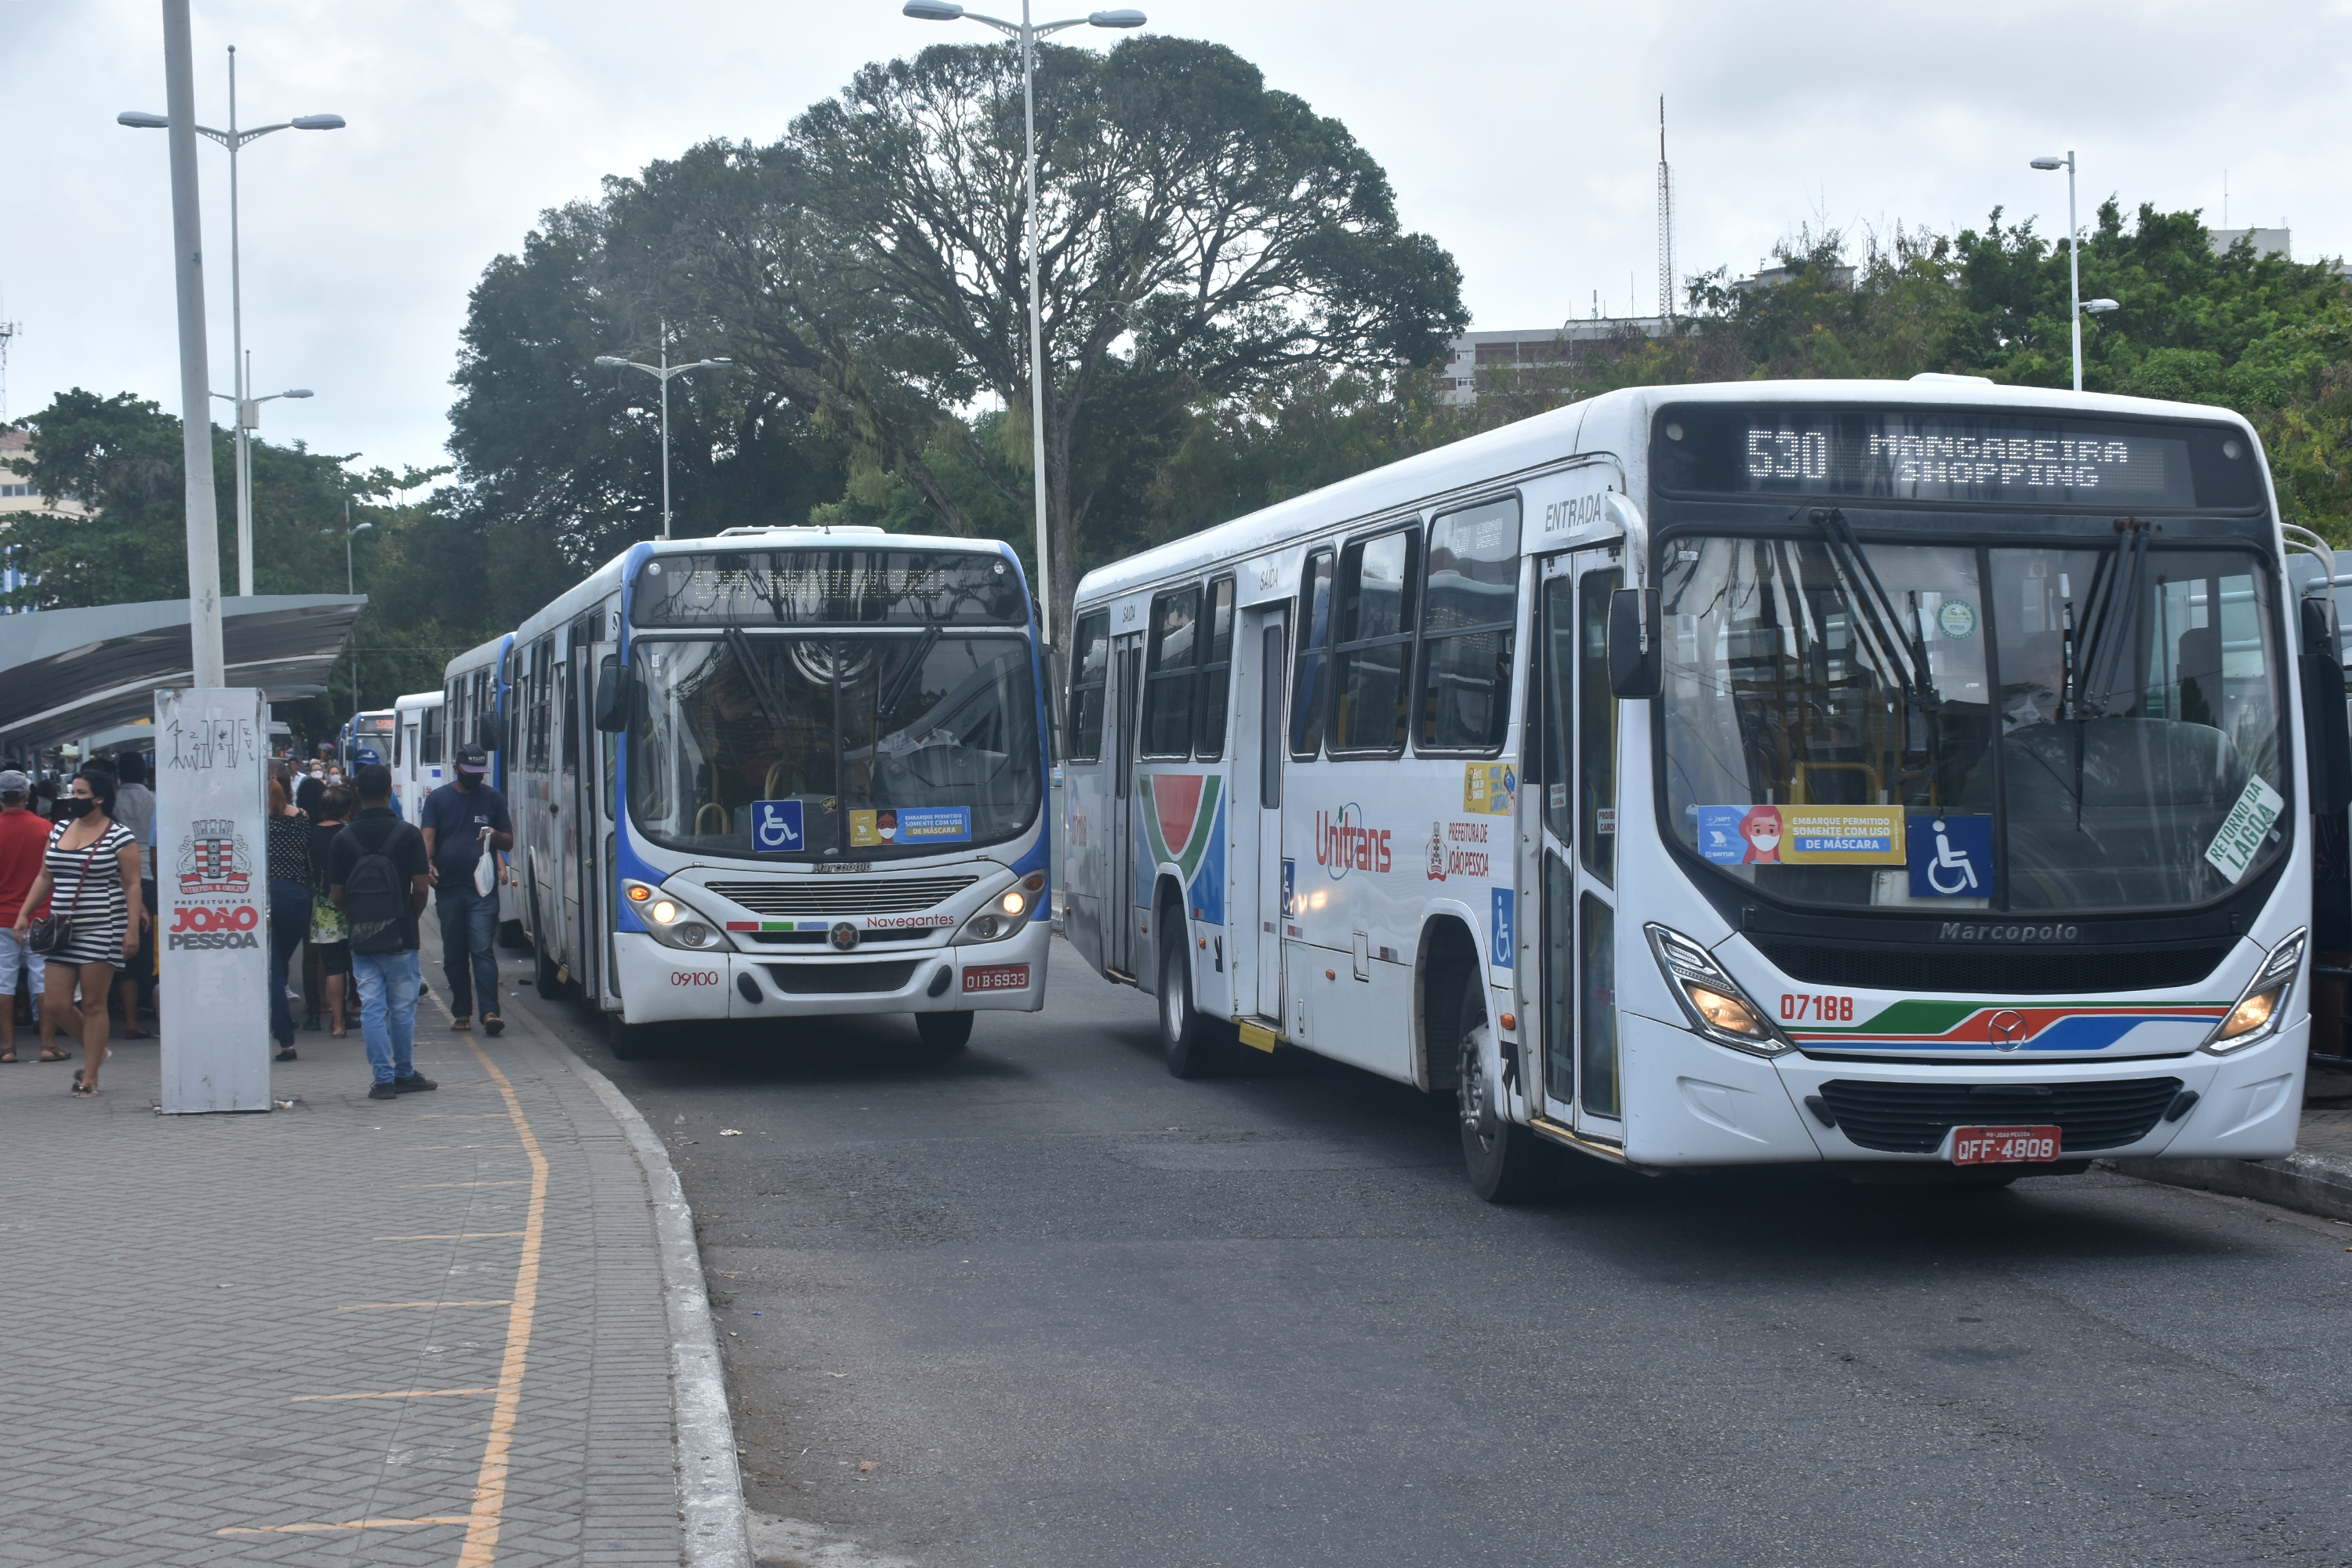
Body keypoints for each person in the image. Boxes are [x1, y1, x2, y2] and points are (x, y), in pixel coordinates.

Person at [10, 765, 140, 1095]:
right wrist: (25, 913)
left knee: (95, 1004)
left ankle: (91, 1077)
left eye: (81, 793)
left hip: (102, 927)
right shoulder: (60, 829)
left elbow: (132, 884)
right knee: (55, 1003)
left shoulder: (119, 835)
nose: (73, 798)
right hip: (61, 928)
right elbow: (45, 875)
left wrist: (131, 930)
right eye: (73, 792)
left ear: (99, 798)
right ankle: (99, 1050)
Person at [328, 764, 435, 1101]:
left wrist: (356, 917)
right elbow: (421, 888)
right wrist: (410, 918)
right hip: (401, 934)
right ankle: (405, 1073)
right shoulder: (408, 833)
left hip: (362, 936)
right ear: (390, 792)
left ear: (357, 793)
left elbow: (336, 893)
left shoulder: (342, 838)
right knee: (403, 1008)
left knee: (372, 1007)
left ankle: (383, 1080)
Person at [419, 742, 514, 1036]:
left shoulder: (493, 799)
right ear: (457, 768)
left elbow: (508, 841)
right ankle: (461, 1011)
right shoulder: (438, 800)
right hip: (448, 886)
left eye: (479, 772)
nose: (475, 777)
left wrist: (496, 836)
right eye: (470, 771)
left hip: (482, 890)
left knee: (482, 949)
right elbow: (428, 837)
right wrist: (426, 866)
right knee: (454, 953)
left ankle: (489, 1012)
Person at [0, 770, 53, 1065]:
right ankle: (47, 1045)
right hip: (39, 917)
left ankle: (8, 1048)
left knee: (3, 982)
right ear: (27, 795)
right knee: (42, 980)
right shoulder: (46, 829)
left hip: (2, 917)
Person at [110, 753, 158, 1039]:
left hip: (119, 876)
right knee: (150, 944)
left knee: (125, 946)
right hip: (149, 875)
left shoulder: (112, 800)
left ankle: (126, 1006)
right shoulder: (154, 799)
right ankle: (148, 1000)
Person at [265, 776, 312, 1062]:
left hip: (269, 893)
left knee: (272, 969)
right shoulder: (301, 818)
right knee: (279, 964)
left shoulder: (257, 821)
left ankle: (285, 1040)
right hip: (297, 895)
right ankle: (279, 1027)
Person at [307, 782, 357, 1036]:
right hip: (352, 908)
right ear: (346, 807)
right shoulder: (350, 834)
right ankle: (360, 1010)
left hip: (322, 912)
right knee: (357, 964)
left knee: (333, 966)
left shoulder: (309, 834)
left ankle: (337, 1023)